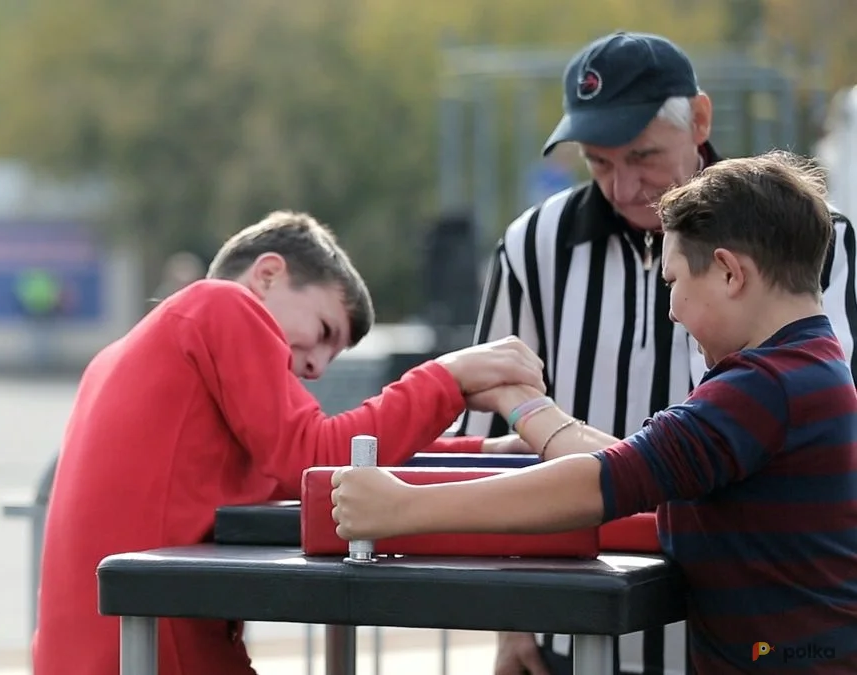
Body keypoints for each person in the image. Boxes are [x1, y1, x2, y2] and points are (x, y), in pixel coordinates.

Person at [332, 151, 857, 673]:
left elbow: (599, 483)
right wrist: (526, 408)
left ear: (727, 272)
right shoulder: (807, 367)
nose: (671, 311)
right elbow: (639, 465)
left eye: (672, 283)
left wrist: (404, 508)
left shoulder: (761, 387)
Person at [452, 30, 857, 675]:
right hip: (576, 615)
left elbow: (822, 436)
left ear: (699, 119)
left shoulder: (809, 234)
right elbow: (486, 429)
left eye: (642, 155)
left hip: (739, 622)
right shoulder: (535, 242)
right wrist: (510, 618)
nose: (623, 185)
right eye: (599, 161)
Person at [31, 210, 546, 675]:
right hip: (162, 647)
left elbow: (320, 463)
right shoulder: (222, 303)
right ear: (268, 273)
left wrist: (478, 454)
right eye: (324, 331)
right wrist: (448, 376)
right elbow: (315, 457)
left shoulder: (126, 353)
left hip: (107, 647)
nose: (316, 367)